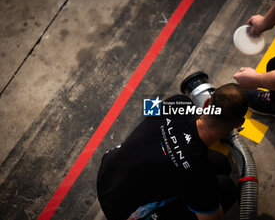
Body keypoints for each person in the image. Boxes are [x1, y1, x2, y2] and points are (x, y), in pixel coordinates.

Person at [97, 83, 248, 220]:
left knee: (221, 164)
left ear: (207, 103)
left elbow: (148, 111)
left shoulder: (179, 101)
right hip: (122, 213)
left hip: (107, 174)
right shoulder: (199, 175)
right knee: (226, 189)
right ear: (238, 124)